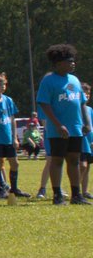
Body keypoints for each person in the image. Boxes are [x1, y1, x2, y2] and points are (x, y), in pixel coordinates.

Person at [35, 43, 87, 205]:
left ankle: (76, 195)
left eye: (73, 61)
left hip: (75, 128)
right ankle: (57, 195)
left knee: (74, 160)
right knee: (57, 160)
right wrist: (58, 124)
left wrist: (86, 122)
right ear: (58, 64)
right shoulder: (49, 80)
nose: (73, 63)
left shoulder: (75, 80)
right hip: (58, 130)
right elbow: (44, 103)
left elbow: (82, 102)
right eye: (68, 61)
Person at [0, 74, 27, 198]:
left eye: (4, 84)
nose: (3, 87)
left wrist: (15, 137)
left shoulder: (8, 100)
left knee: (15, 163)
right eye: (0, 84)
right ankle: (1, 189)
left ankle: (14, 189)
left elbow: (13, 119)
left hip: (8, 138)